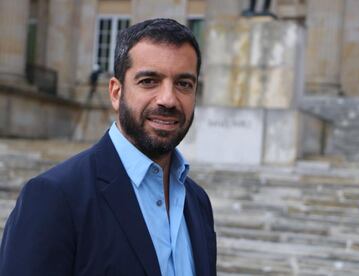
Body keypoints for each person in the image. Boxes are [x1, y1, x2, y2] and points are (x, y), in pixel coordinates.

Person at [0, 18, 216, 276]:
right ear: (116, 92)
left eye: (183, 84)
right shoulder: (55, 197)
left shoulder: (198, 201)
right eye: (149, 81)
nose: (168, 99)